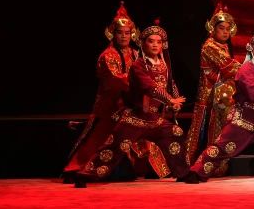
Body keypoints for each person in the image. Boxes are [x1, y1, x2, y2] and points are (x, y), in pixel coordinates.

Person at [73, 21, 189, 187]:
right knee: (112, 148)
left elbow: (171, 84)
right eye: (151, 41)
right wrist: (169, 100)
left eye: (159, 42)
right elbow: (149, 87)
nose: (155, 45)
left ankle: (183, 173)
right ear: (143, 43)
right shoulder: (138, 65)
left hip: (154, 119)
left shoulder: (164, 64)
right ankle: (85, 175)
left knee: (175, 132)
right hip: (135, 118)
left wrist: (175, 101)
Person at [183, 28, 254, 183]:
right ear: (252, 48)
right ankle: (196, 172)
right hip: (243, 122)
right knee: (222, 147)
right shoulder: (246, 69)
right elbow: (253, 91)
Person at [184, 0, 242, 174]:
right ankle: (202, 165)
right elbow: (229, 67)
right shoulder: (210, 46)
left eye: (227, 29)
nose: (225, 32)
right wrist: (249, 69)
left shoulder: (223, 46)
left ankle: (215, 164)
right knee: (206, 132)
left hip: (219, 95)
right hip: (209, 96)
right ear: (213, 29)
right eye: (221, 28)